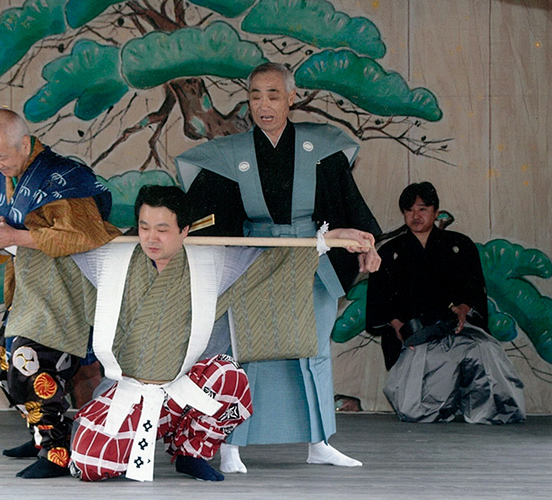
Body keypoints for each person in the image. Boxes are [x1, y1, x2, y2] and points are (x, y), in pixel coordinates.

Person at [65, 185, 376, 482]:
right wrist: (15, 240)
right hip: (127, 394)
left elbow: (274, 259)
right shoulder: (116, 258)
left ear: (185, 230)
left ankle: (191, 451)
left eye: (162, 229)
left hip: (179, 395)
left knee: (229, 376)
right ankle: (130, 442)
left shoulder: (211, 264)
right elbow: (62, 251)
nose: (151, 238)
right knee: (89, 465)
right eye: (144, 227)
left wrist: (328, 238)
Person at [176, 62, 381, 473]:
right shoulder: (229, 155)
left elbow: (349, 205)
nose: (263, 105)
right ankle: (230, 446)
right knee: (243, 353)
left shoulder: (321, 149)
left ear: (292, 97)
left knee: (315, 350)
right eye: (254, 96)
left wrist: (365, 243)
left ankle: (319, 442)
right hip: (255, 259)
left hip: (313, 259)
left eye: (273, 95)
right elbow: (198, 214)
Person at [0, 108, 121, 478]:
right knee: (6, 366)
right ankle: (41, 432)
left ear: (25, 143)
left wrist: (16, 237)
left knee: (32, 362)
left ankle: (57, 451)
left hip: (65, 292)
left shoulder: (64, 177)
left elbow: (88, 235)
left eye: (1, 156)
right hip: (28, 291)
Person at [366, 182, 526, 424]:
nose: (415, 216)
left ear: (435, 210)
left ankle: (492, 411)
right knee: (415, 407)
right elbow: (379, 299)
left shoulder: (459, 245)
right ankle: (436, 407)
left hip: (456, 328)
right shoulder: (389, 252)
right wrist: (398, 326)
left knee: (485, 350)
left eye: (422, 209)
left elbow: (474, 290)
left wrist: (464, 308)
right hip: (411, 334)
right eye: (409, 210)